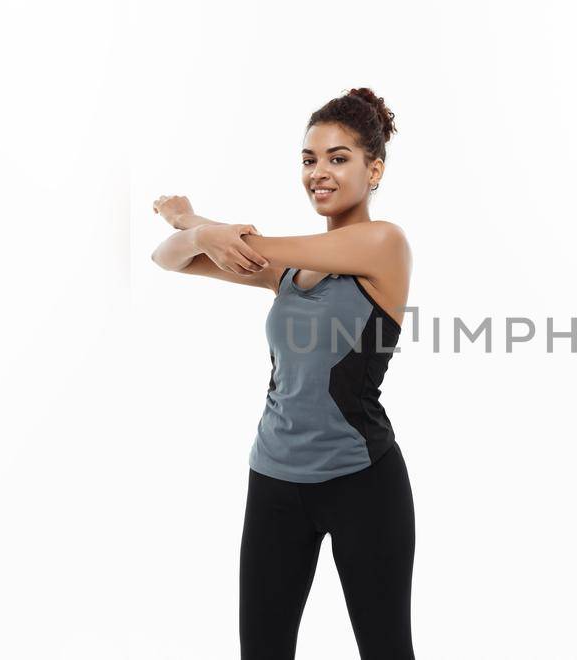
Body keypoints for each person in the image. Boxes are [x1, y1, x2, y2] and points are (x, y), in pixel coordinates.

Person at [149, 87, 415, 659]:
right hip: (272, 482)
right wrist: (194, 234)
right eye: (309, 159)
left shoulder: (385, 246)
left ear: (375, 170)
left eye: (338, 158)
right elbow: (168, 259)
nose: (319, 172)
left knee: (387, 651)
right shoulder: (290, 272)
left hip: (362, 483)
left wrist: (193, 218)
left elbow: (251, 244)